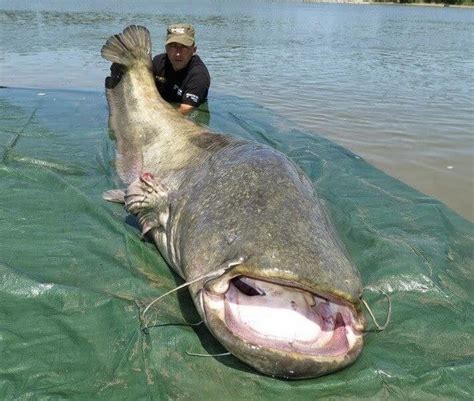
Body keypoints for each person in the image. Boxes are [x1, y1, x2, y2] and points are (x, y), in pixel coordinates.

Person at [152, 23, 210, 114]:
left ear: (194, 50)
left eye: (184, 47)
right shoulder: (158, 62)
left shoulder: (199, 76)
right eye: (173, 46)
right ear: (166, 48)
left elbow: (186, 109)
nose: (178, 53)